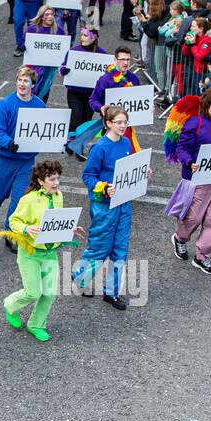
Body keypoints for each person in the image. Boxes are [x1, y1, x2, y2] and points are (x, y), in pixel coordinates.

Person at [0, 160, 87, 342]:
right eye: (52, 179)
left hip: (49, 252)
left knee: (49, 292)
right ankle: (10, 304)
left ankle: (36, 324)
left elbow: (56, 221)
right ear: (41, 180)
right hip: (30, 253)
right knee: (33, 292)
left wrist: (70, 228)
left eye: (57, 178)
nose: (56, 183)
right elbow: (13, 221)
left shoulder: (58, 196)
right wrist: (27, 229)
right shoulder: (28, 199)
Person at [73, 105, 144, 309]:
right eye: (119, 122)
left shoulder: (126, 143)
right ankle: (80, 278)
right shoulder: (100, 147)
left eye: (125, 122)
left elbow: (129, 168)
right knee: (99, 248)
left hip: (124, 203)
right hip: (104, 205)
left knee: (120, 249)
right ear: (108, 123)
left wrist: (141, 172)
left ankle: (111, 293)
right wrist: (104, 189)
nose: (123, 126)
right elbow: (88, 176)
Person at [164, 89, 211, 275]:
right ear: (206, 105)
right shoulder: (195, 123)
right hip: (199, 179)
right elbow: (182, 149)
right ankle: (180, 238)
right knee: (194, 217)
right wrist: (190, 163)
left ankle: (202, 256)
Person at [0, 67, 49, 241]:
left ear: (33, 85)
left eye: (26, 81)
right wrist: (8, 143)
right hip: (4, 158)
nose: (22, 84)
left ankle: (11, 234)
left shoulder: (39, 105)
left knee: (20, 198)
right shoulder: (5, 104)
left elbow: (45, 130)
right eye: (20, 80)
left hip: (25, 161)